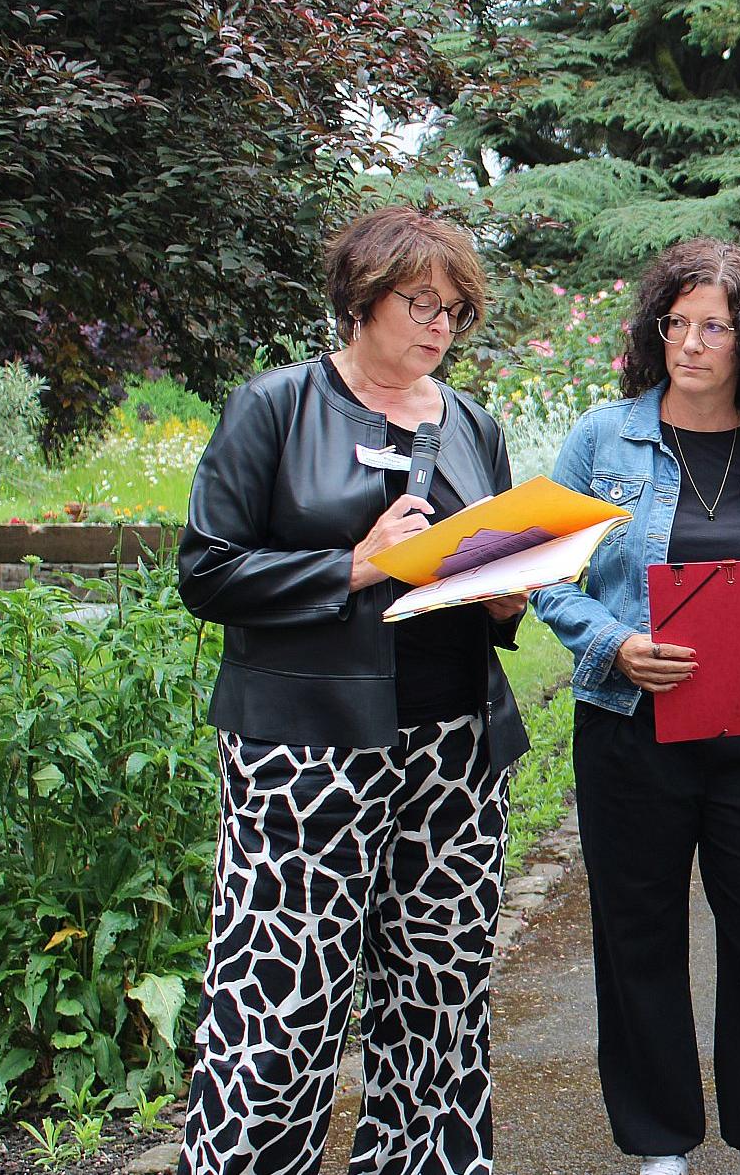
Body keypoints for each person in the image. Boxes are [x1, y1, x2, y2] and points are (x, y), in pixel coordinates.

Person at [176, 205, 529, 1175]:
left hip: (454, 748)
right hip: (304, 751)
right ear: (361, 297)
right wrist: (355, 566)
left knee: (441, 996)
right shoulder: (276, 405)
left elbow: (480, 570)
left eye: (456, 310)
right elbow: (207, 571)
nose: (440, 326)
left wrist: (505, 601)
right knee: (282, 1000)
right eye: (422, 303)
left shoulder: (471, 424)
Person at [530, 237, 740, 1175]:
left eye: (714, 327)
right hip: (632, 727)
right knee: (639, 929)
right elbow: (549, 575)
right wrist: (614, 644)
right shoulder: (602, 438)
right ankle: (659, 1141)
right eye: (678, 322)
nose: (692, 343)